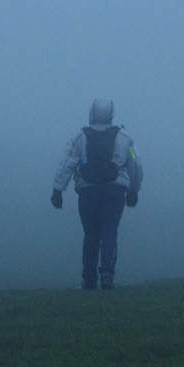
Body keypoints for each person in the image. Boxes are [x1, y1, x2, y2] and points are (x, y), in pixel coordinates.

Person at [51, 99, 143, 291]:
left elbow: (67, 163)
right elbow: (135, 164)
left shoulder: (80, 136)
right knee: (110, 231)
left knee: (90, 234)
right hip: (115, 192)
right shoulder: (125, 137)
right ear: (111, 114)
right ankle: (107, 275)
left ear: (91, 113)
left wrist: (57, 190)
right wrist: (134, 190)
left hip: (87, 192)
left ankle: (89, 278)